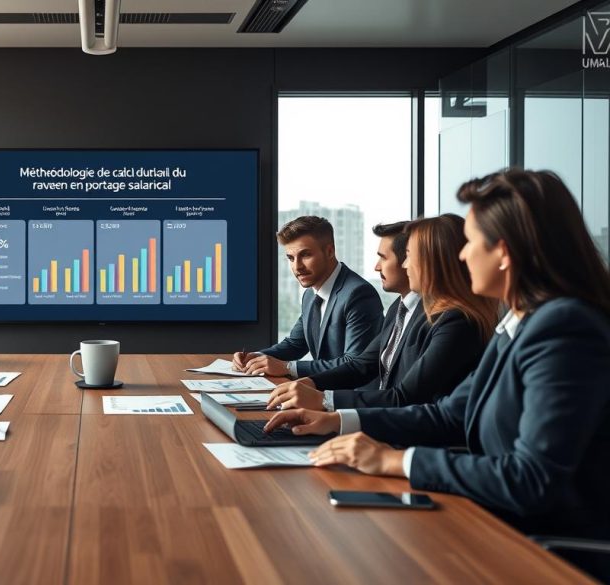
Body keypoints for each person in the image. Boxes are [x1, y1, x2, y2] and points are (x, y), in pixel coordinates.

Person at [264, 170, 610, 576]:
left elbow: (530, 478)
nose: (462, 256)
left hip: (537, 550)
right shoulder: (516, 324)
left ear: (504, 252)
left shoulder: (564, 328)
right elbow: (449, 414)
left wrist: (398, 462)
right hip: (489, 520)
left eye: (471, 243)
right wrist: (338, 421)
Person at [266, 215, 498, 411]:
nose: (377, 267)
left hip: (413, 439)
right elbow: (362, 365)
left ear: (431, 262)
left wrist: (323, 400)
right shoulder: (400, 308)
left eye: (385, 257)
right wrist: (309, 383)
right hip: (383, 422)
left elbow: (407, 397)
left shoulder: (456, 321)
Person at [234, 216, 382, 377]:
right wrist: (256, 357)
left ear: (330, 251)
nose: (297, 267)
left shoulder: (358, 294)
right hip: (320, 391)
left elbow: (353, 363)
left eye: (305, 255)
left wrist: (288, 367)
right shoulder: (310, 295)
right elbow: (295, 344)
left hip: (352, 398)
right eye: (291, 258)